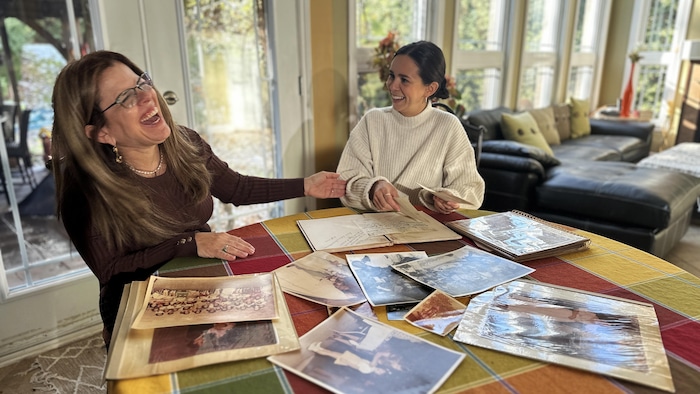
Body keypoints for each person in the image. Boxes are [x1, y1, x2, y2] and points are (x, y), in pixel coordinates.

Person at [50, 50, 347, 347]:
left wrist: (306, 185)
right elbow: (111, 270)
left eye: (142, 82)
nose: (147, 97)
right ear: (101, 133)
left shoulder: (185, 143)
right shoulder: (84, 192)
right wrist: (188, 243)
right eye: (126, 97)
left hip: (202, 270)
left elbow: (237, 189)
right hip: (136, 296)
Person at [337, 41, 484, 214]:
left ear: (430, 88)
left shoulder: (448, 126)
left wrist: (447, 197)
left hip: (428, 230)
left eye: (404, 80)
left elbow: (471, 189)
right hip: (374, 227)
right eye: (392, 76)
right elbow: (345, 179)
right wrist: (373, 187)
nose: (392, 86)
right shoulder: (372, 121)